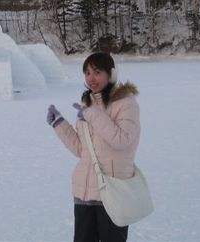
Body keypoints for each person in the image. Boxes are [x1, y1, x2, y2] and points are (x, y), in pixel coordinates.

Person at [46, 52, 140, 242]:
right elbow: (82, 149)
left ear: (111, 74)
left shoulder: (126, 103)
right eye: (87, 73)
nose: (91, 78)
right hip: (84, 192)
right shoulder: (87, 104)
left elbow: (122, 140)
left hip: (112, 192)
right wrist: (60, 124)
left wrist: (92, 115)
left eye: (97, 72)